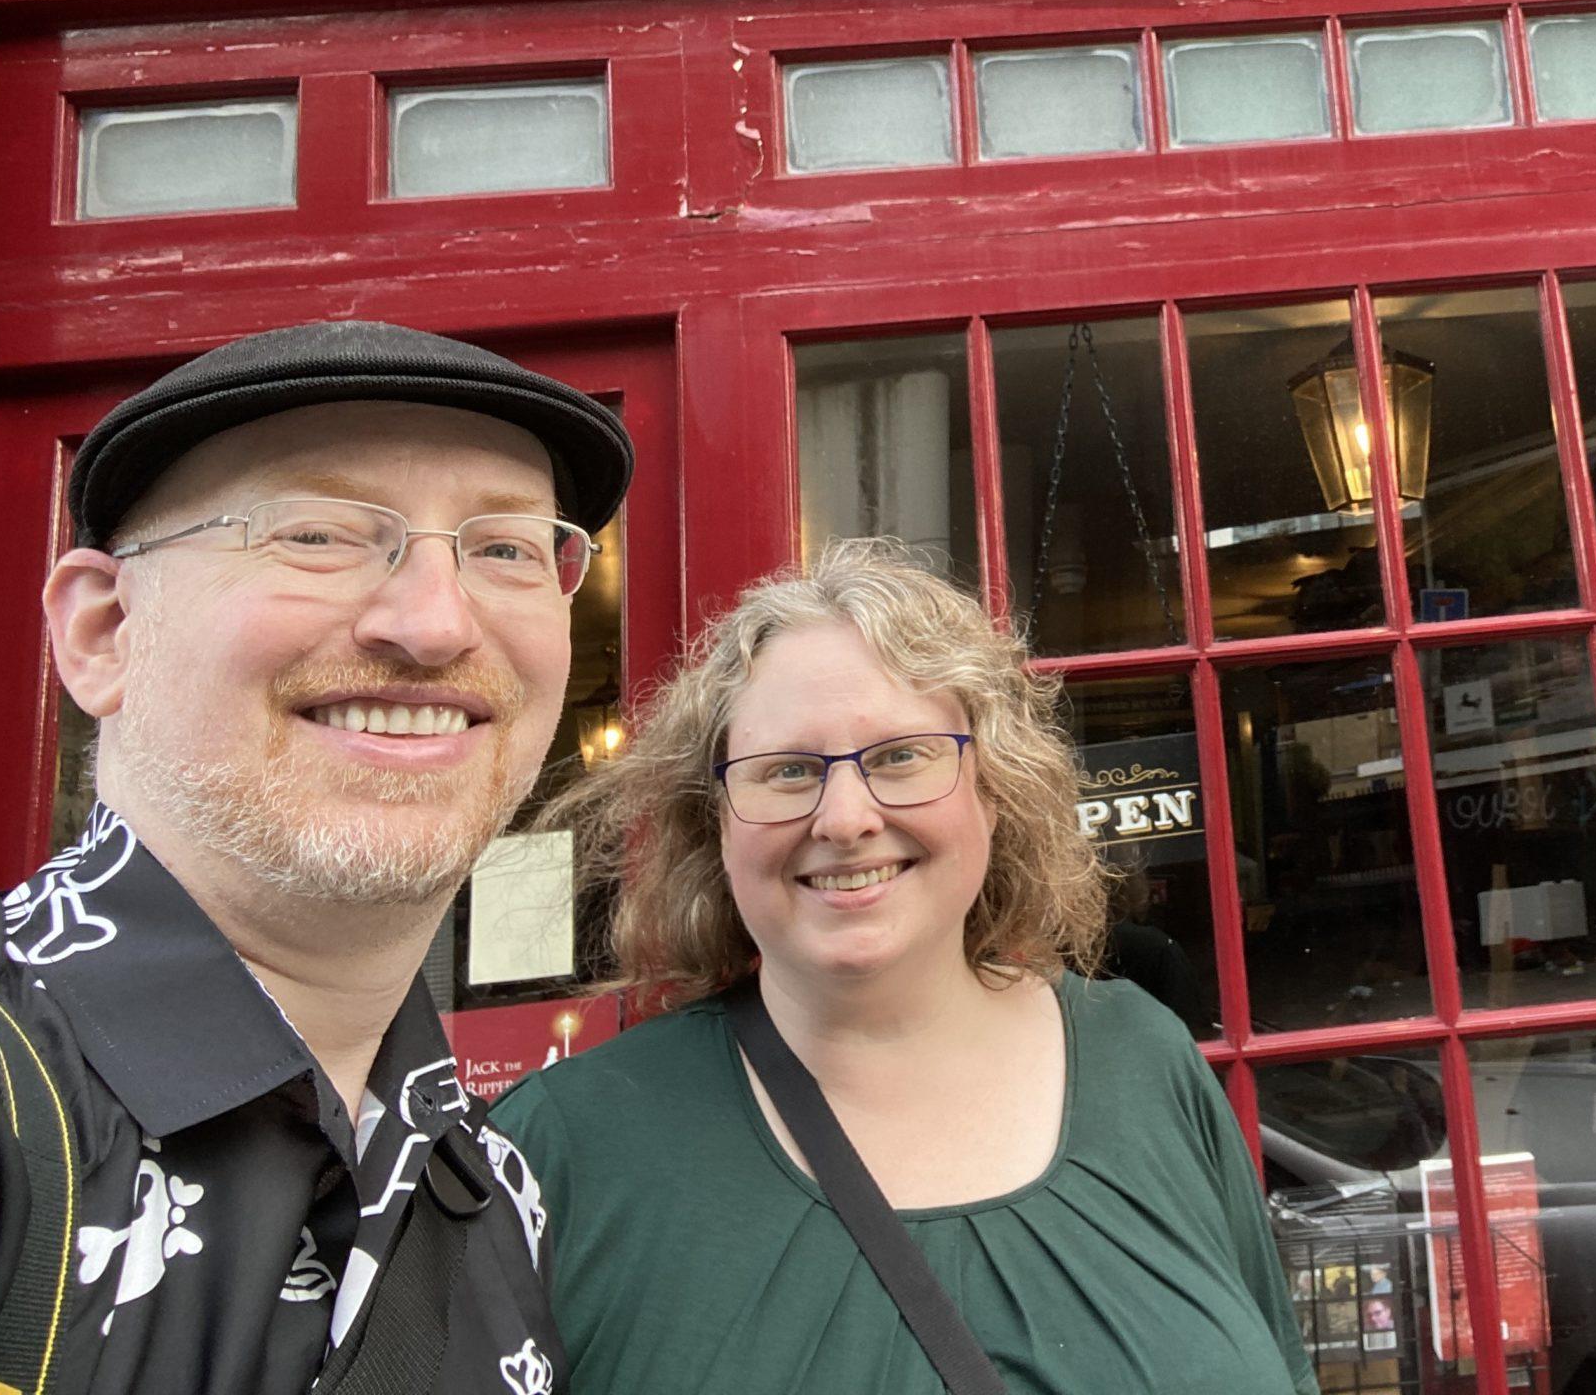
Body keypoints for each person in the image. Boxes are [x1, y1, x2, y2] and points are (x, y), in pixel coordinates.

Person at [492, 541, 1316, 1395]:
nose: (845, 818)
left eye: (900, 757)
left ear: (992, 792)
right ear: (716, 827)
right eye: (786, 772)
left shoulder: (1144, 1058)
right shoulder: (562, 1148)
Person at [0, 319, 633, 1395]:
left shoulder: (499, 1193)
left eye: (507, 548)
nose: (435, 624)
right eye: (319, 534)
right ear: (104, 633)